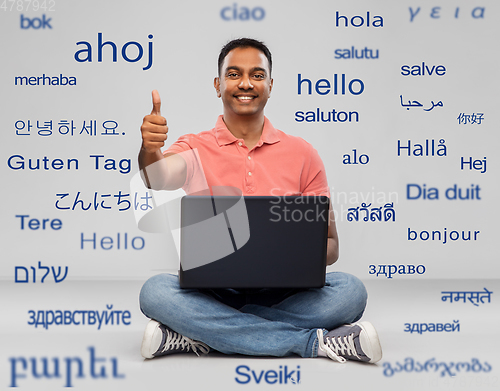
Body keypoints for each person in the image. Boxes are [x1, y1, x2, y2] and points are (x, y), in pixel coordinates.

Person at [138, 38, 382, 363]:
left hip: (286, 293)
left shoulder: (303, 154)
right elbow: (157, 177)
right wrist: (150, 150)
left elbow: (331, 245)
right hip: (213, 293)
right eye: (234, 74)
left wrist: (290, 258)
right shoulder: (193, 147)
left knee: (350, 291)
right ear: (218, 85)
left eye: (256, 75)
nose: (245, 83)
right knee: (155, 292)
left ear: (270, 85)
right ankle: (313, 343)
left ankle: (199, 332)